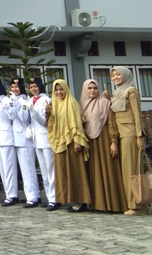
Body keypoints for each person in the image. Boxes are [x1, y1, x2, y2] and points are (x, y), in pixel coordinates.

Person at [79, 79, 127, 213]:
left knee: (108, 170)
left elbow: (111, 123)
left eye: (95, 88)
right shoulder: (80, 105)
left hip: (104, 140)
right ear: (85, 90)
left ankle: (113, 204)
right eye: (89, 88)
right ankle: (97, 204)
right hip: (90, 143)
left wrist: (114, 142)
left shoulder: (105, 103)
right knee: (94, 171)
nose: (92, 91)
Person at [106, 66, 148, 216]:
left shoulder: (131, 91)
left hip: (130, 134)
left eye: (118, 74)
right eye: (113, 75)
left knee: (132, 170)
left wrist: (139, 136)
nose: (115, 77)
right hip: (121, 134)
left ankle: (136, 205)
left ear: (126, 75)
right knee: (127, 170)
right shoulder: (118, 93)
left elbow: (137, 115)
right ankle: (137, 203)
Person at [46, 79, 91, 212]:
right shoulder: (54, 104)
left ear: (66, 89)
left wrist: (77, 140)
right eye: (56, 90)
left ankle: (81, 201)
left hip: (72, 143)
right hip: (60, 143)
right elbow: (51, 124)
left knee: (76, 171)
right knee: (64, 171)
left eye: (61, 89)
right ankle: (71, 199)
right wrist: (48, 113)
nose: (59, 92)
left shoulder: (72, 103)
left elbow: (77, 123)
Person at [9, 78, 40, 209]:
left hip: (25, 138)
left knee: (28, 169)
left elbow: (23, 118)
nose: (15, 89)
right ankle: (34, 195)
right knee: (24, 169)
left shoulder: (24, 100)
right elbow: (11, 117)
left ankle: (32, 197)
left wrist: (16, 104)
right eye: (13, 87)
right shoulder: (14, 100)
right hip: (17, 138)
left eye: (17, 86)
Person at [27, 77, 58, 211]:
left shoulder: (46, 100)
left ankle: (55, 199)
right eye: (31, 87)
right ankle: (49, 197)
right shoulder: (30, 100)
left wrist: (32, 110)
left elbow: (44, 121)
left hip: (46, 138)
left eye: (35, 86)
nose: (33, 89)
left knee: (51, 171)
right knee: (44, 172)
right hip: (36, 139)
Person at [0, 79, 18, 207]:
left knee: (9, 168)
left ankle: (12, 195)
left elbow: (12, 116)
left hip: (6, 137)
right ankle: (8, 194)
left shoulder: (6, 100)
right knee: (2, 169)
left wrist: (4, 102)